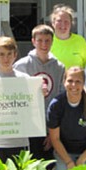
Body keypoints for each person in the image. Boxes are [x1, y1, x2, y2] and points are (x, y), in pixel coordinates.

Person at [14, 24, 65, 160]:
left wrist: (52, 130)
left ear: (52, 42)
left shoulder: (59, 67)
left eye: (47, 40)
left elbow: (60, 98)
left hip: (49, 124)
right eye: (40, 40)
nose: (44, 44)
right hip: (27, 125)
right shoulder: (21, 66)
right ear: (33, 41)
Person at [47, 67, 86, 170]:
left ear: (84, 83)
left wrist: (82, 160)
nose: (73, 85)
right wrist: (69, 162)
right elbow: (55, 138)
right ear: (64, 82)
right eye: (70, 81)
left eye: (78, 81)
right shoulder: (56, 105)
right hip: (65, 152)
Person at [49, 4, 86, 69]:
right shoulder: (47, 41)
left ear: (71, 23)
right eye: (59, 21)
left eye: (66, 21)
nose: (63, 25)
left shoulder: (80, 41)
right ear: (53, 23)